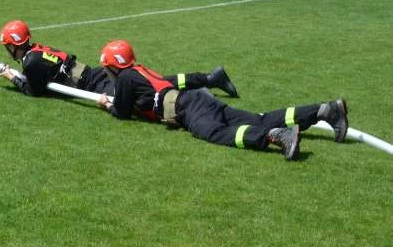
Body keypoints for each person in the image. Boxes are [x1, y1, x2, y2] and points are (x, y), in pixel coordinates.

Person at [95, 39, 349, 161]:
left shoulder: (126, 78)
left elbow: (122, 112)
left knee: (215, 133)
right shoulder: (139, 70)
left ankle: (276, 136)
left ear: (113, 67)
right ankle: (324, 111)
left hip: (188, 109)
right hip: (198, 100)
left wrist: (107, 104)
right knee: (258, 118)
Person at [0, 20, 239, 100]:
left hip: (94, 84)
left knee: (144, 94)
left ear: (12, 45)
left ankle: (197, 94)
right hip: (93, 74)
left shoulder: (30, 62)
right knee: (156, 81)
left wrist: (9, 74)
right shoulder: (36, 51)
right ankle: (207, 79)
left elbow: (34, 90)